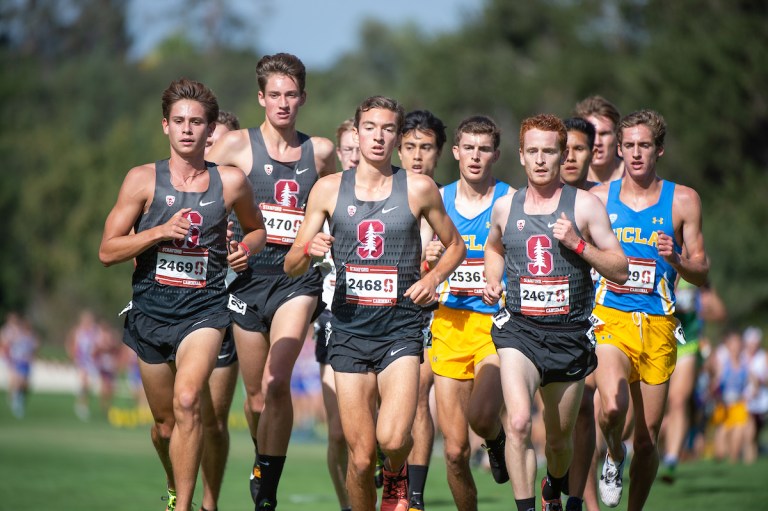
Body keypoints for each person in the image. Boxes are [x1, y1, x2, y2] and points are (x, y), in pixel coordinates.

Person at [284, 95, 465, 511]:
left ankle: (398, 473)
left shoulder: (419, 188)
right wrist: (309, 248)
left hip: (400, 328)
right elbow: (292, 264)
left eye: (388, 129)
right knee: (362, 457)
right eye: (370, 127)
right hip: (348, 331)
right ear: (358, 131)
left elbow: (455, 245)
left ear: (397, 137)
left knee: (392, 440)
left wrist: (434, 278)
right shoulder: (328, 189)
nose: (378, 136)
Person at [98, 77, 266, 511]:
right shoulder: (141, 180)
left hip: (205, 311)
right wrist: (156, 232)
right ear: (165, 127)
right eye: (179, 121)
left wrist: (243, 251)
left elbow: (257, 230)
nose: (188, 129)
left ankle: (185, 505)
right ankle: (175, 486)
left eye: (196, 122)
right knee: (165, 426)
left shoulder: (229, 182)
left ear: (211, 130)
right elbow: (107, 251)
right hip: (150, 312)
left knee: (190, 400)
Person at [206, 52, 336, 509]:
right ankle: (263, 458)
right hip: (246, 281)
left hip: (296, 280)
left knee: (278, 381)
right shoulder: (235, 147)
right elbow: (197, 189)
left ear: (303, 97)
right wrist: (220, 235)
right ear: (261, 98)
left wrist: (324, 237)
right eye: (275, 95)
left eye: (292, 95)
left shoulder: (319, 151)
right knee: (258, 396)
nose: (283, 103)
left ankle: (267, 492)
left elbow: (344, 200)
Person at [483, 114, 628, 511]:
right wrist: (492, 278)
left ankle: (553, 486)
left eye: (549, 151)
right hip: (519, 333)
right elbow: (494, 248)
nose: (541, 160)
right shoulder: (504, 206)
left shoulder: (584, 206)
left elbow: (620, 267)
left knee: (559, 441)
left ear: (563, 155)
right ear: (521, 155)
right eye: (533, 151)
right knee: (517, 423)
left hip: (568, 338)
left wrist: (578, 245)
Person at [591, 109, 709, 510]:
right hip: (610, 316)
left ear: (659, 149)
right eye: (629, 146)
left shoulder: (684, 200)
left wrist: (676, 259)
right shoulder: (597, 198)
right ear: (619, 150)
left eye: (644, 145)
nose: (636, 153)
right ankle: (612, 455)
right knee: (610, 406)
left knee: (646, 438)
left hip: (658, 324)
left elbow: (702, 272)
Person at [426, 115, 513, 511]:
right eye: (469, 148)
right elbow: (417, 261)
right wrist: (426, 258)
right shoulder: (437, 199)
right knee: (456, 451)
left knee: (481, 418)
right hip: (449, 324)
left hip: (495, 325)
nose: (475, 157)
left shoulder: (510, 200)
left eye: (484, 149)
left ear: (495, 154)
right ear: (456, 152)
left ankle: (494, 437)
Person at [396, 109, 448, 509]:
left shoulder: (448, 200)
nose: (417, 156)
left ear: (439, 153)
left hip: (430, 314)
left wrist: (436, 264)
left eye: (426, 148)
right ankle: (390, 469)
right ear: (398, 149)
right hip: (375, 312)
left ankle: (414, 496)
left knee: (417, 395)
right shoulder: (383, 194)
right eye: (410, 147)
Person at [313, 118, 359, 511]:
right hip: (334, 320)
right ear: (339, 154)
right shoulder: (325, 198)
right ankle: (347, 505)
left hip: (386, 324)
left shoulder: (395, 198)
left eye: (362, 147)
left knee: (377, 431)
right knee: (339, 431)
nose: (357, 155)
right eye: (349, 149)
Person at [201, 109, 243, 511]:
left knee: (213, 420)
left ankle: (208, 504)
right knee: (170, 421)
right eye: (213, 141)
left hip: (224, 312)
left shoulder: (245, 193)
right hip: (170, 310)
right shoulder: (173, 184)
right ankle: (176, 491)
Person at [659, 278, 726, 482]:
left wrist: (703, 290)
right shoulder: (655, 259)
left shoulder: (694, 272)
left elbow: (719, 312)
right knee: (659, 408)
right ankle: (650, 448)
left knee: (678, 400)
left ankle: (671, 459)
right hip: (658, 340)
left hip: (687, 342)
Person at [574, 96, 624, 185]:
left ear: (618, 136)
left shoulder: (635, 176)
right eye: (591, 134)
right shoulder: (569, 181)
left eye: (604, 134)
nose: (597, 142)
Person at [0, 312, 38, 418]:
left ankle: (19, 399)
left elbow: (34, 348)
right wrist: (7, 358)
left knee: (26, 385)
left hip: (26, 363)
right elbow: (6, 345)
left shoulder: (30, 336)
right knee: (17, 382)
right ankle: (15, 400)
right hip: (16, 361)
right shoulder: (13, 333)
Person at [66, 309, 100, 421]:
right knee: (84, 382)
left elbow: (98, 345)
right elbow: (71, 344)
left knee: (90, 385)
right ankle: (81, 406)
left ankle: (83, 402)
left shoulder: (95, 331)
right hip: (81, 361)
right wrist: (73, 355)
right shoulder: (78, 331)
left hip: (92, 362)